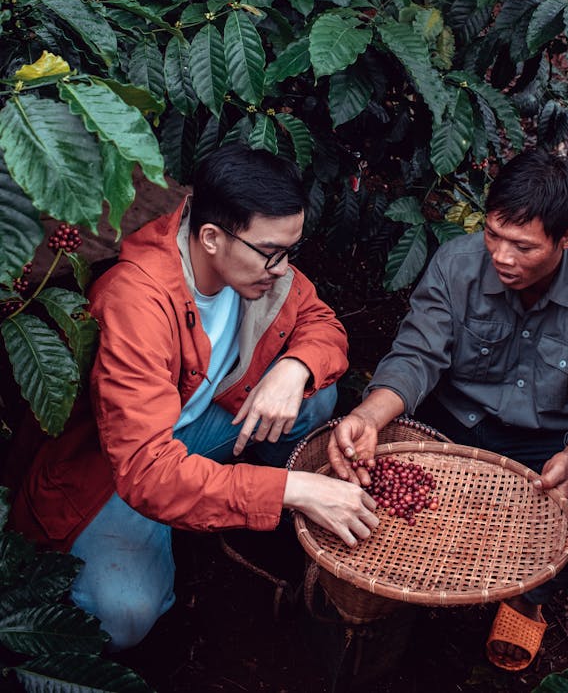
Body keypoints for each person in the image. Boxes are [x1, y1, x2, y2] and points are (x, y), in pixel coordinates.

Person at [10, 143, 378, 650]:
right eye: (272, 252)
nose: (282, 267)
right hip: (119, 470)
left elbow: (321, 323)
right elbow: (146, 470)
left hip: (195, 427)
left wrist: (294, 368)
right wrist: (290, 490)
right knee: (124, 616)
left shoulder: (254, 260)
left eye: (290, 250)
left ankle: (222, 505)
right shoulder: (136, 303)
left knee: (314, 397)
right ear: (210, 238)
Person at [327, 148, 568, 672]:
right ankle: (407, 584)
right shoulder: (456, 264)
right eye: (493, 234)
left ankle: (529, 595)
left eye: (523, 246)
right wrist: (369, 416)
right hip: (452, 425)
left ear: (567, 238)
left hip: (547, 443)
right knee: (373, 467)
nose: (501, 256)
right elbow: (417, 355)